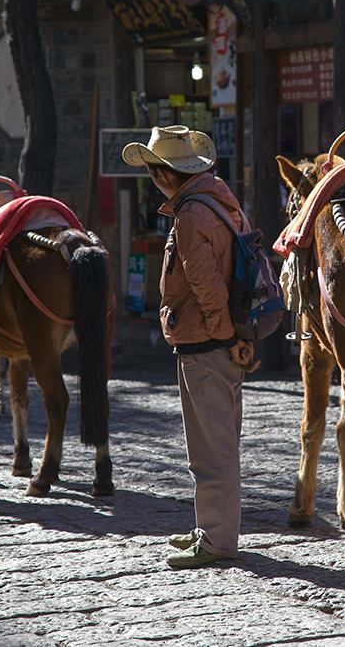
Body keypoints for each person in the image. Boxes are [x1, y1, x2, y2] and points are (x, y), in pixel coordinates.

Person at [122, 125, 258, 569]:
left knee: (211, 447)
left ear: (164, 174)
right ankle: (210, 528)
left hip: (206, 342)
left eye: (153, 170)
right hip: (223, 339)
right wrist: (239, 339)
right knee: (213, 444)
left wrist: (226, 338)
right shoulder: (224, 203)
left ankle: (218, 539)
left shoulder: (189, 215)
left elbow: (207, 288)